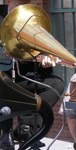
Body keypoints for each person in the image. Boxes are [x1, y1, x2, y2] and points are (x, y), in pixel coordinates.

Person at [0, 0, 65, 150]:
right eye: (17, 5)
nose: (21, 10)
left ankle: (26, 128)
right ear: (8, 1)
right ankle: (6, 132)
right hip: (3, 77)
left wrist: (45, 63)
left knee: (56, 84)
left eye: (24, 4)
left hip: (24, 78)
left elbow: (41, 53)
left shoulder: (32, 21)